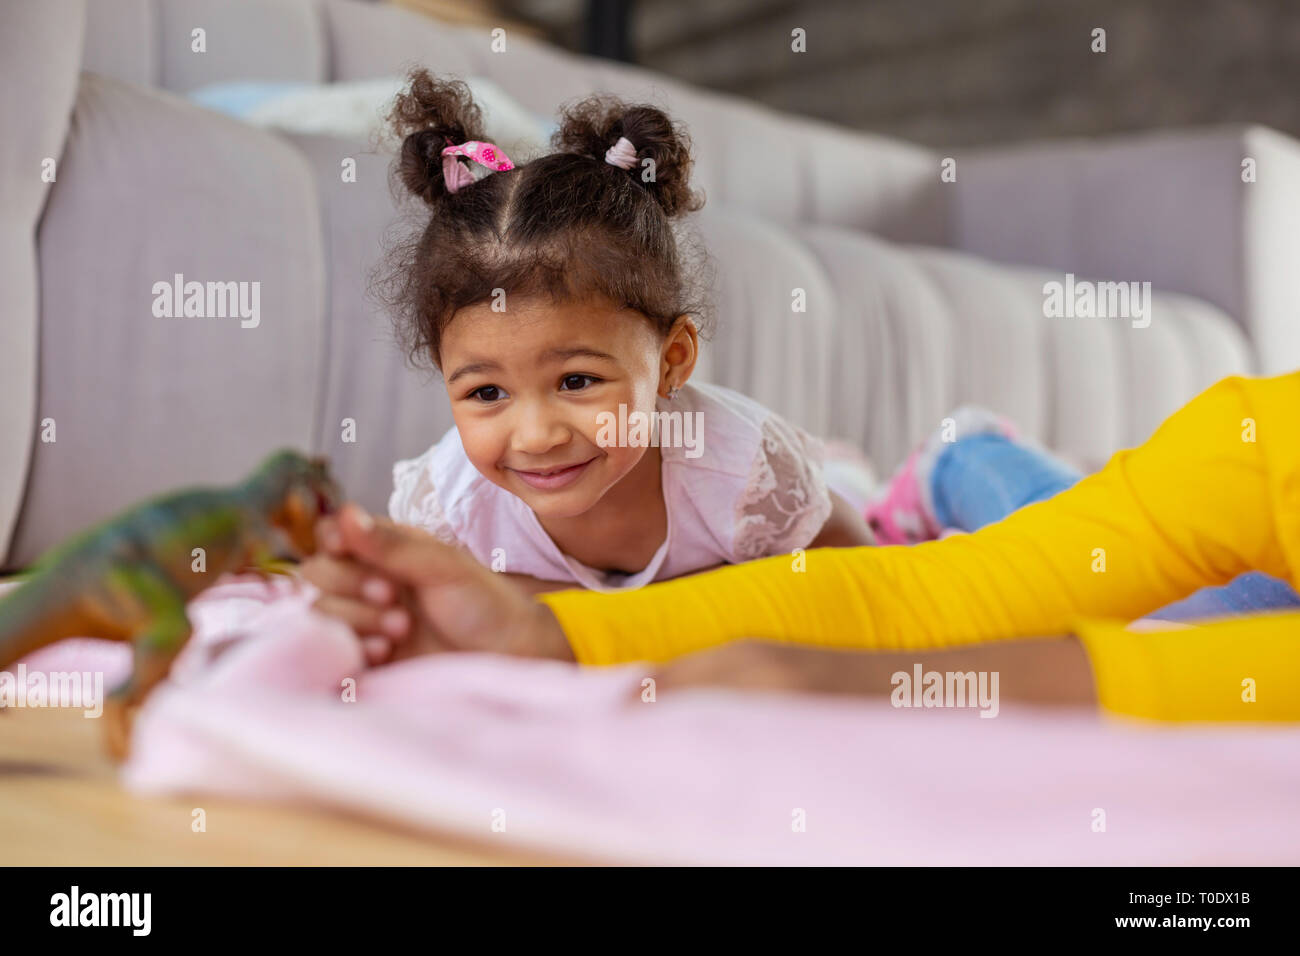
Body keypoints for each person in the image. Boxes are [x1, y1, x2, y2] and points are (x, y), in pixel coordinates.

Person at [303, 372, 1300, 721]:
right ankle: (962, 452)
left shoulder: (739, 460)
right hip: (1230, 540)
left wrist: (844, 688)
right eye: (485, 392)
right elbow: (936, 591)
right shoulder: (1265, 437)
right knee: (1042, 517)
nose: (535, 434)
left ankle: (956, 459)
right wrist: (556, 634)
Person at [373, 70, 874, 603]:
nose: (537, 437)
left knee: (855, 491)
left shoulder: (744, 476)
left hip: (818, 491)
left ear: (672, 360)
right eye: (487, 393)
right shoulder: (451, 506)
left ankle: (859, 470)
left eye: (577, 380)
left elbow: (855, 566)